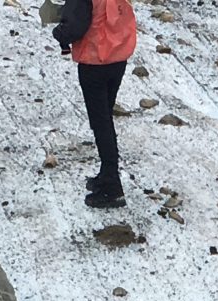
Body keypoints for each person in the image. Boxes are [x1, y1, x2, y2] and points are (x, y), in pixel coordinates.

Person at [52, 0, 137, 209]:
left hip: (95, 62)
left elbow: (75, 27)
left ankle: (112, 187)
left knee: (101, 124)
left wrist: (59, 32)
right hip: (118, 57)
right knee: (105, 120)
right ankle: (106, 175)